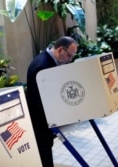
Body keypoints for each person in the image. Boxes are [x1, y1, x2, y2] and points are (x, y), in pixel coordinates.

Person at [26, 36, 78, 167]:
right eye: (69, 56)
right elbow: (37, 100)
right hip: (40, 122)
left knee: (46, 151)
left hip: (45, 121)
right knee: (44, 155)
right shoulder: (42, 66)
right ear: (61, 50)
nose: (69, 60)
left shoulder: (50, 61)